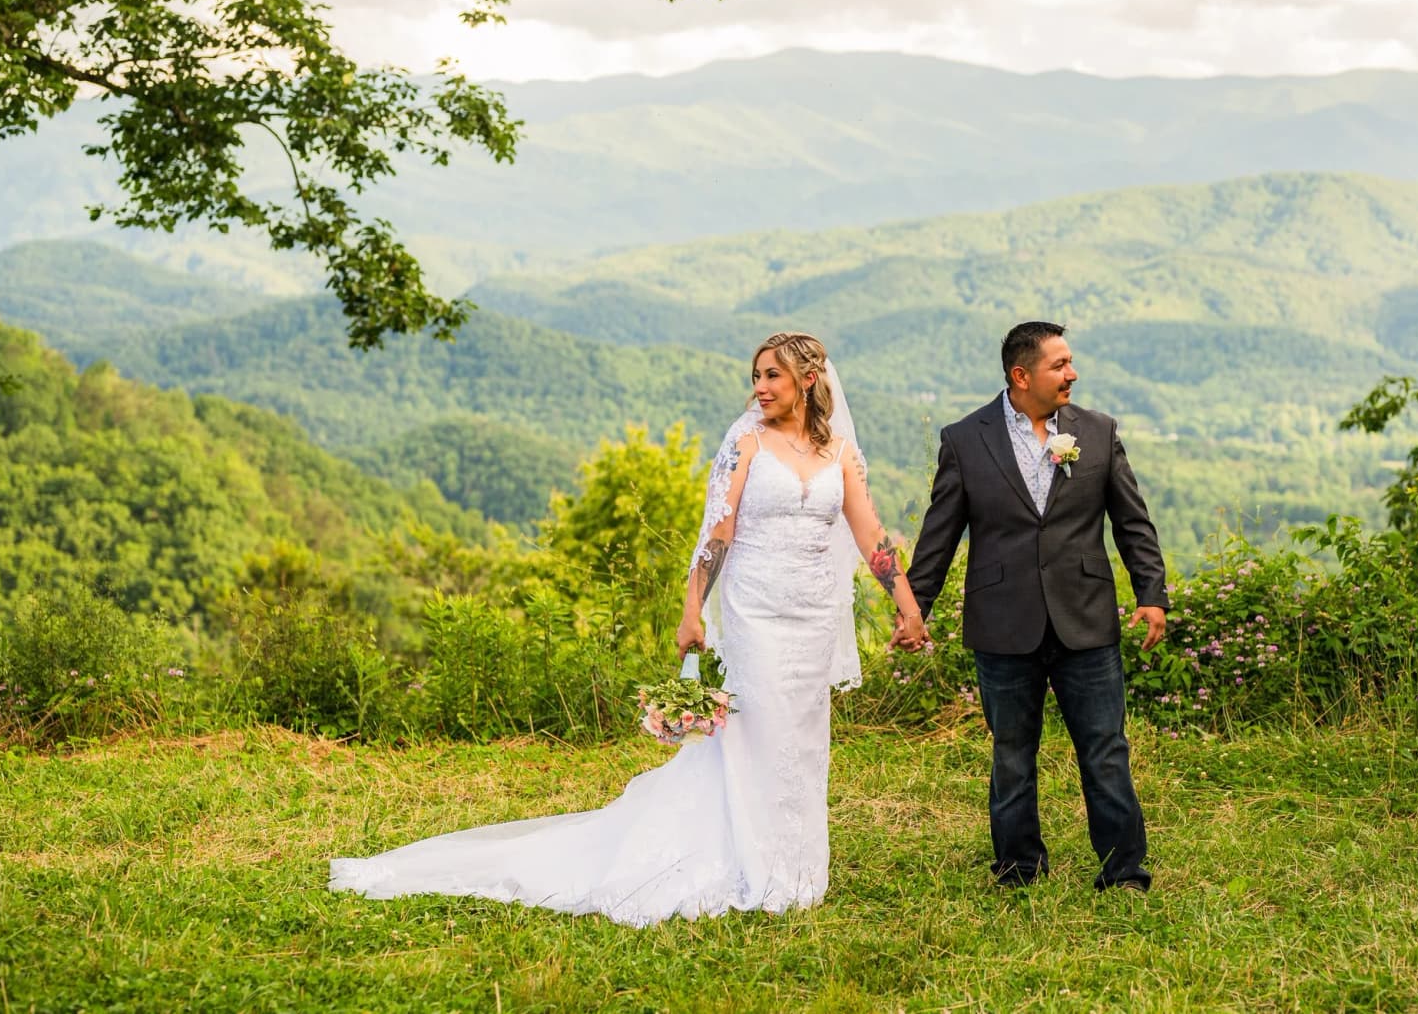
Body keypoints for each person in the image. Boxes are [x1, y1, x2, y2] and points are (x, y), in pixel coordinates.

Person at [329, 332, 927, 924]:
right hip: (757, 614)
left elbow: (871, 537)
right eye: (756, 376)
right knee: (759, 733)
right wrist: (692, 610)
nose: (760, 387)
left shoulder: (840, 454)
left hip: (813, 617)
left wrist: (907, 605)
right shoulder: (745, 441)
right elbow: (717, 534)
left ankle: (797, 868)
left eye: (773, 375)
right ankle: (751, 864)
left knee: (801, 740)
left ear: (809, 380)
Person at [904, 321, 1169, 892]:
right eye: (1060, 365)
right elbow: (939, 534)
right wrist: (913, 606)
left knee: (1105, 749)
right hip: (1003, 620)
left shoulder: (1097, 431)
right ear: (1021, 376)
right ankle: (1019, 869)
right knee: (1012, 754)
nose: (1072, 373)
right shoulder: (965, 439)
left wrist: (1151, 594)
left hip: (1086, 616)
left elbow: (1132, 521)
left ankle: (1125, 871)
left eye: (1071, 362)